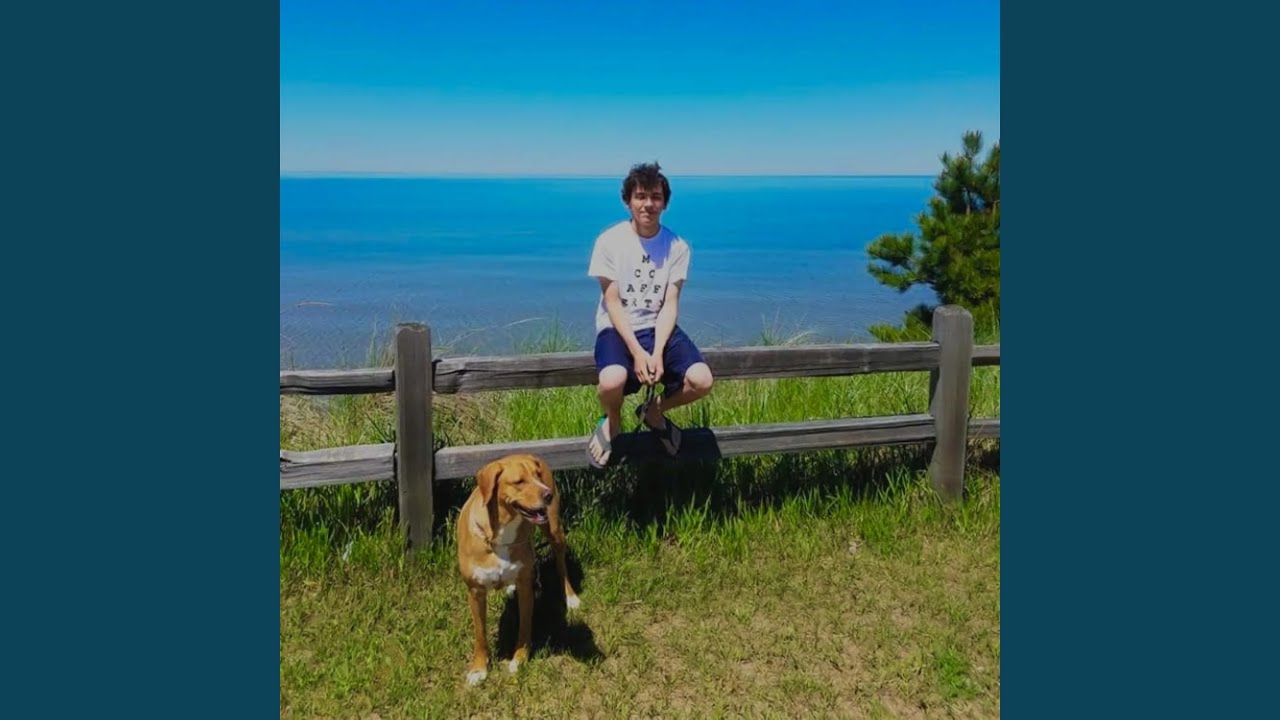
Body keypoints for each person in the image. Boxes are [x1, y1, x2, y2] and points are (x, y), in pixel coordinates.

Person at [585, 162, 714, 468]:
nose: (648, 204)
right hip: (617, 328)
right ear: (628, 201)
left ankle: (654, 410)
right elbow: (612, 302)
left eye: (655, 197)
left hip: (658, 327)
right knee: (611, 380)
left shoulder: (677, 246)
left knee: (702, 380)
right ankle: (613, 420)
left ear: (665, 203)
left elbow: (670, 303)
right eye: (640, 196)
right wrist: (638, 352)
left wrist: (656, 352)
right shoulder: (609, 241)